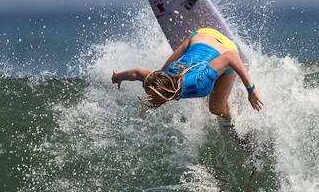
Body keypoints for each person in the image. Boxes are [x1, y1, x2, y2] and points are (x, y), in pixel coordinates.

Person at [112, 27, 263, 121]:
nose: (150, 97)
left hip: (226, 48)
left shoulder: (198, 83)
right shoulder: (161, 77)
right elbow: (137, 73)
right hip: (202, 34)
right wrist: (117, 77)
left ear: (168, 96)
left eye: (153, 96)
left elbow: (231, 57)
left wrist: (251, 90)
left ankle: (231, 123)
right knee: (161, 69)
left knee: (215, 109)